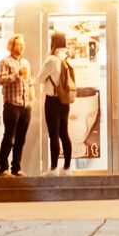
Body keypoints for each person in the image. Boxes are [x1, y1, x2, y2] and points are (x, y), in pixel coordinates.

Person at [39, 30, 76, 173]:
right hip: (64, 100)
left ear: (53, 42)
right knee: (64, 133)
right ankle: (67, 167)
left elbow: (40, 78)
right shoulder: (66, 59)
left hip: (53, 100)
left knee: (53, 134)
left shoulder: (51, 60)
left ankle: (53, 167)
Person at [0, 34, 32, 176]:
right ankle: (3, 169)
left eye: (23, 44)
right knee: (9, 137)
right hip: (11, 105)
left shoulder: (26, 63)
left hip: (25, 105)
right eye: (19, 44)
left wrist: (31, 97)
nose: (22, 47)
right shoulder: (5, 62)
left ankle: (16, 168)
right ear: (12, 46)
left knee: (21, 139)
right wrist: (16, 75)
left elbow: (29, 81)